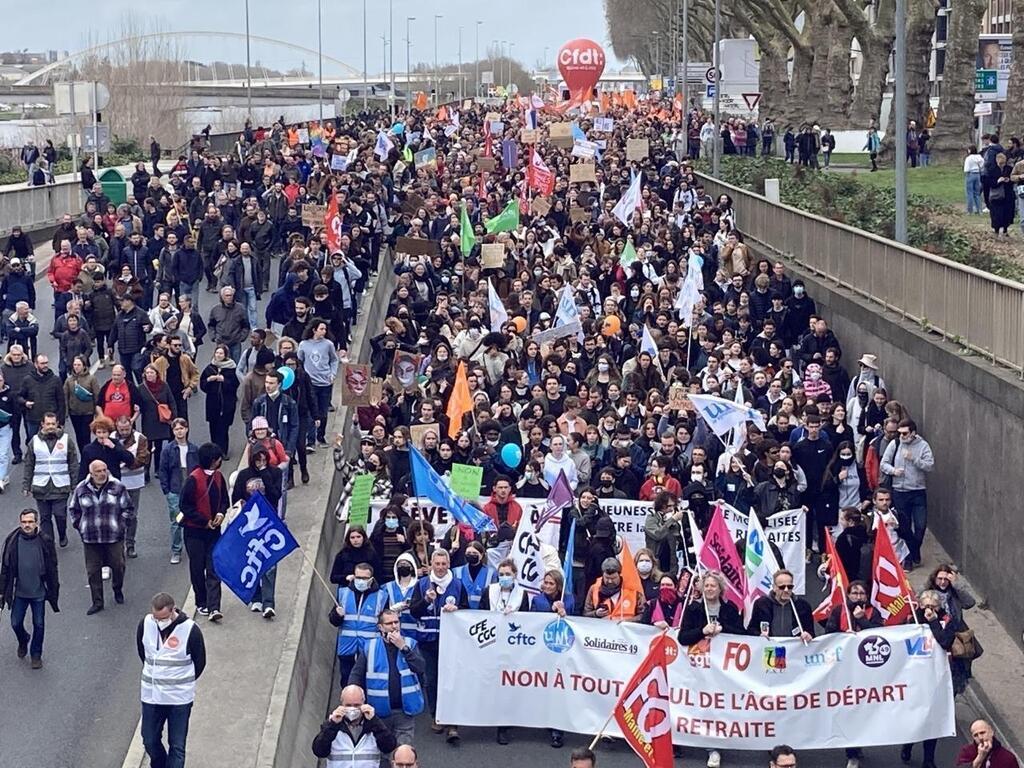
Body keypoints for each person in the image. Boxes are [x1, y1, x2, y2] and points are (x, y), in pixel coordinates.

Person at [136, 592, 207, 768]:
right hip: (152, 697)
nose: (159, 622)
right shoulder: (145, 625)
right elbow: (143, 653)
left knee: (177, 746)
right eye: (156, 618)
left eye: (163, 618)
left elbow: (200, 662)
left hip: (179, 699)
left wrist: (181, 680)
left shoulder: (190, 630)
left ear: (173, 610)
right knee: (149, 740)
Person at [409, 549, 468, 743]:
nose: (441, 567)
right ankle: (436, 714)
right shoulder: (422, 585)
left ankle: (453, 721)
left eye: (444, 564)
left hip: (451, 641)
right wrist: (426, 600)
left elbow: (468, 612)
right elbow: (414, 612)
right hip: (428, 641)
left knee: (451, 680)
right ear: (432, 564)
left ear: (448, 564)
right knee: (431, 680)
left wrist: (457, 610)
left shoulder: (458, 585)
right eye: (437, 564)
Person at [349, 609, 427, 748]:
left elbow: (420, 667)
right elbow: (356, 674)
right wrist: (352, 698)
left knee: (403, 751)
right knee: (382, 754)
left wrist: (403, 647)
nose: (394, 626)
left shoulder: (410, 644)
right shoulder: (370, 647)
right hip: (379, 712)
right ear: (380, 627)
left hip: (405, 710)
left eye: (396, 622)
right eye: (389, 623)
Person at [68, 459, 135, 615]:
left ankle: (117, 589)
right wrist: (80, 526)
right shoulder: (81, 488)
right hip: (90, 539)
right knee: (93, 571)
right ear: (91, 473)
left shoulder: (118, 486)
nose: (102, 473)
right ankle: (97, 602)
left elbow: (129, 509)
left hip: (113, 536)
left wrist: (121, 525)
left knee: (118, 566)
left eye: (104, 470)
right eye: (98, 471)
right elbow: (74, 510)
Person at [0, 509, 60, 669]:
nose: (27, 525)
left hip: (38, 592)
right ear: (20, 523)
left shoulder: (45, 541)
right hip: (19, 592)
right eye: (24, 522)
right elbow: (5, 567)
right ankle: (23, 639)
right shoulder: (12, 541)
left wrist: (54, 589)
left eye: (30, 522)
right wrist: (2, 590)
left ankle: (36, 655)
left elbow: (52, 567)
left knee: (39, 624)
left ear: (36, 523)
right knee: (15, 623)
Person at [231, 445, 283, 618]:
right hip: (250, 524)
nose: (260, 462)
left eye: (263, 458)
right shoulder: (244, 475)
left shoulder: (275, 473)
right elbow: (236, 497)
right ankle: (256, 597)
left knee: (269, 564)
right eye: (257, 459)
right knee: (252, 561)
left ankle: (269, 602)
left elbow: (276, 495)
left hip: (269, 523)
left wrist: (265, 474)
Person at [178, 442, 228, 622]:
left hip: (214, 532)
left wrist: (221, 514)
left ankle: (214, 606)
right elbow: (185, 506)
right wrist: (204, 521)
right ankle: (202, 601)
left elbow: (224, 501)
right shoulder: (193, 480)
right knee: (197, 568)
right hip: (194, 533)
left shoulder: (219, 477)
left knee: (213, 567)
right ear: (213, 460)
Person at [880, 418, 933, 569]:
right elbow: (884, 463)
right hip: (899, 491)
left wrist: (914, 458)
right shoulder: (895, 444)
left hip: (917, 491)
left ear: (913, 433)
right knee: (904, 526)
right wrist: (894, 471)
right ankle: (909, 557)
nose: (902, 436)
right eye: (900, 433)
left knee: (921, 525)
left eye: (905, 433)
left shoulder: (923, 446)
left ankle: (915, 549)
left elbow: (930, 466)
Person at [23, 412, 78, 546]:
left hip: (61, 485)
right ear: (42, 424)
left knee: (60, 515)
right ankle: (48, 542)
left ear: (57, 424)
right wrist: (26, 485)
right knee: (45, 518)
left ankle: (62, 533)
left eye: (53, 424)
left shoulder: (66, 440)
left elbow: (73, 463)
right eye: (48, 424)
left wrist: (74, 484)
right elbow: (29, 464)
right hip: (40, 486)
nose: (50, 427)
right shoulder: (34, 441)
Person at [330, 560, 388, 686]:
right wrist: (337, 615)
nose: (361, 581)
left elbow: (386, 621)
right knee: (346, 680)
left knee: (367, 681)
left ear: (371, 579)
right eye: (358, 577)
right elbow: (333, 621)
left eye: (364, 578)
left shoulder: (382, 596)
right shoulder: (343, 593)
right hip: (347, 645)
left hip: (369, 647)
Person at [311, 684, 398, 767]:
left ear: (364, 703)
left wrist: (374, 721)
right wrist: (332, 725)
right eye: (348, 705)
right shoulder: (334, 726)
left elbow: (389, 746)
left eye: (357, 705)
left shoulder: (373, 725)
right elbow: (319, 751)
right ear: (342, 704)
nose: (352, 709)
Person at [158, 419, 198, 565]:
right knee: (176, 521)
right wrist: (166, 491)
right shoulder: (168, 450)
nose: (179, 431)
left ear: (187, 429)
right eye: (176, 429)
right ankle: (176, 550)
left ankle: (193, 548)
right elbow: (163, 471)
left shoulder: (194, 449)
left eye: (182, 428)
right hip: (175, 489)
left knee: (193, 520)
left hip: (191, 489)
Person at [746, 569, 815, 641]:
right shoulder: (761, 604)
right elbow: (751, 629)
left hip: (794, 650)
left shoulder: (803, 606)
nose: (786, 590)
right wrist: (759, 635)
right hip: (769, 648)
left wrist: (808, 635)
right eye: (782, 587)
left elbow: (811, 632)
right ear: (774, 587)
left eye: (790, 587)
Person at [115, 415, 149, 559]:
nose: (124, 432)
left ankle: (130, 544)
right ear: (117, 426)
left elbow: (142, 459)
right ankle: (118, 545)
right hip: (116, 483)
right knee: (116, 515)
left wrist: (125, 463)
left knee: (132, 515)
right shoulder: (110, 437)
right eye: (121, 429)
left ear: (131, 425)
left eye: (127, 429)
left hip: (134, 482)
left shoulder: (140, 438)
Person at [199, 344, 239, 457]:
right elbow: (202, 385)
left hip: (226, 404)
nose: (218, 355)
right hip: (212, 403)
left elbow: (235, 385)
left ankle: (223, 451)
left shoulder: (231, 369)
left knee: (223, 428)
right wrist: (209, 380)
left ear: (225, 355)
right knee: (213, 427)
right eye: (217, 353)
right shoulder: (210, 368)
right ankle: (214, 451)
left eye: (221, 353)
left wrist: (224, 380)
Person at [583, 556, 643, 622]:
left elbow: (643, 615)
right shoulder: (594, 589)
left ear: (620, 575)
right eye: (607, 578)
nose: (610, 581)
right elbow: (585, 614)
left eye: (613, 578)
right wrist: (596, 613)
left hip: (626, 629)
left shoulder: (633, 589)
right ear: (602, 574)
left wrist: (628, 621)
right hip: (601, 628)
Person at [955, 720, 1020, 768]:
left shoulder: (1007, 757)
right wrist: (980, 757)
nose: (980, 737)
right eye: (976, 735)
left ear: (991, 732)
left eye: (982, 733)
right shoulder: (967, 752)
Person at [964, 145, 985, 215]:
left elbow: (966, 169)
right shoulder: (979, 157)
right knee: (977, 193)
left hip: (970, 174)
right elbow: (982, 165)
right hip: (978, 174)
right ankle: (979, 210)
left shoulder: (969, 158)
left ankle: (970, 210)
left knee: (970, 193)